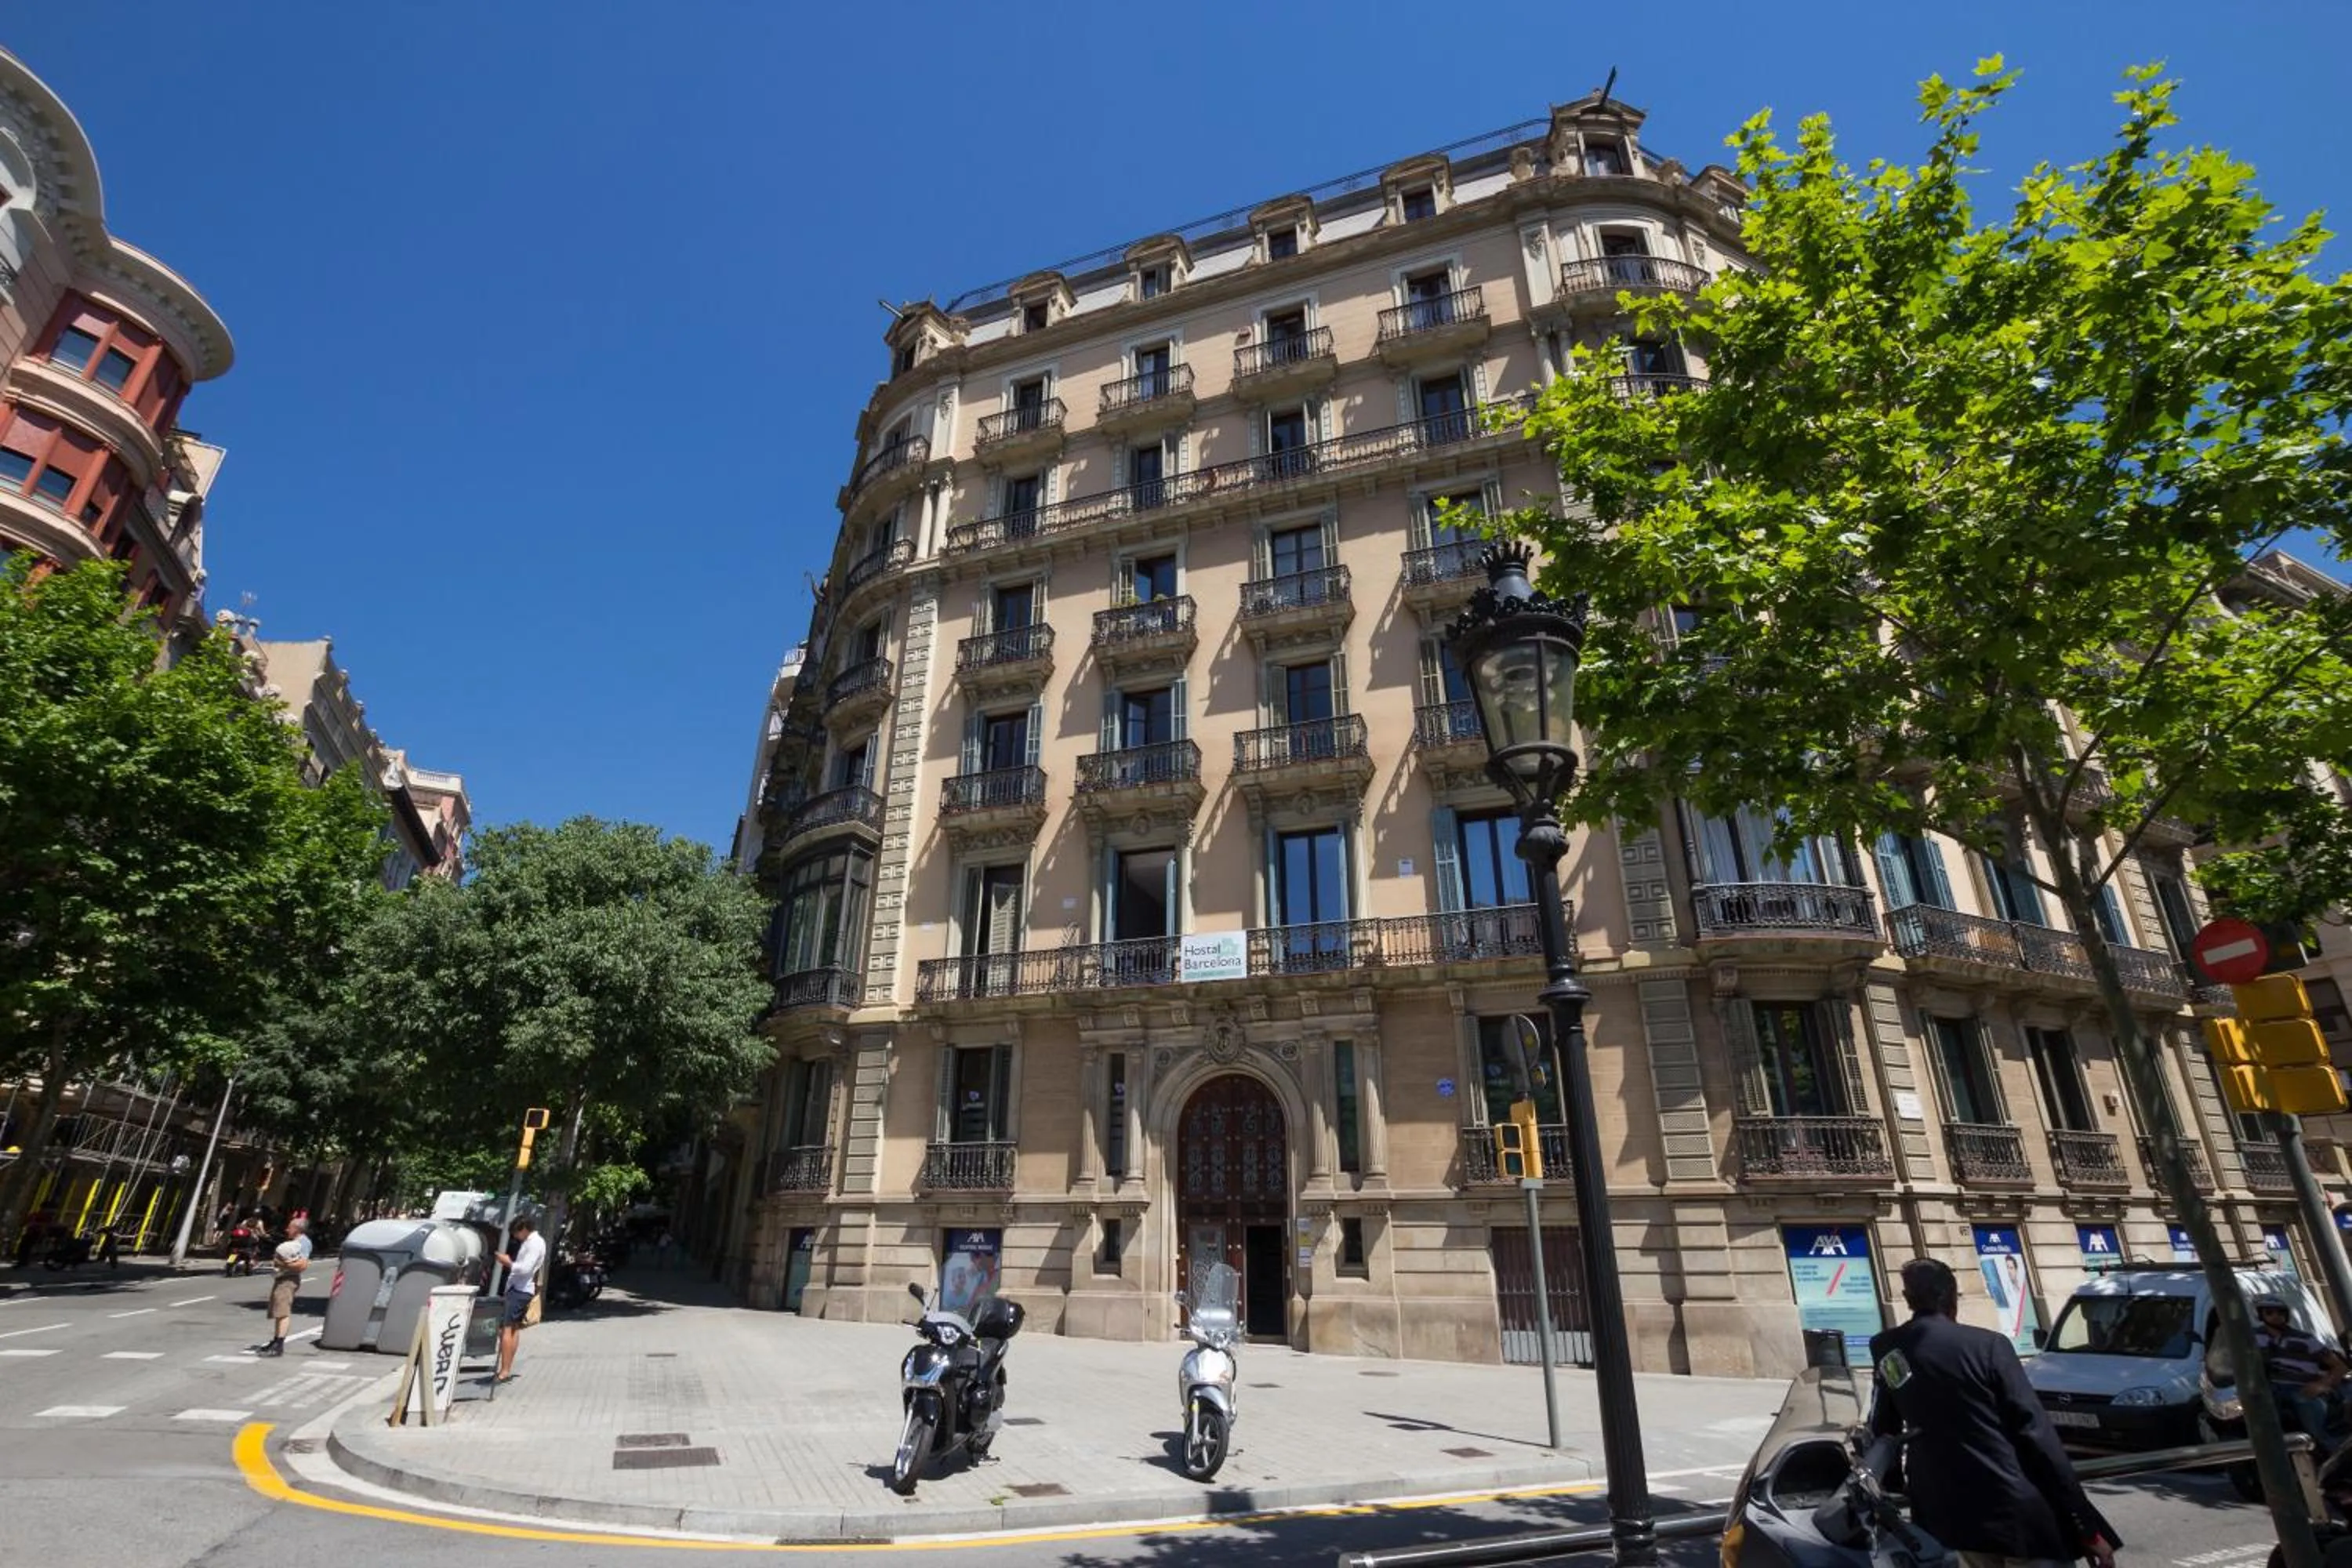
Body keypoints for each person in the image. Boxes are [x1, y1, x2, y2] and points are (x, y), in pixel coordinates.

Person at [1870, 1258, 2118, 1568]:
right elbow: (2037, 1437)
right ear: (1952, 1295)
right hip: (2016, 1512)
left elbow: (1884, 1432)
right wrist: (2086, 1527)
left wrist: (1893, 1483)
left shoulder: (1887, 1348)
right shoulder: (1988, 1346)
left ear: (1907, 1300)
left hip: (1947, 1514)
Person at [2253, 1293, 2347, 1449]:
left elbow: (2340, 1366)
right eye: (2269, 1312)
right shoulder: (2253, 1336)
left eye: (2280, 1312)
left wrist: (2321, 1384)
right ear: (2261, 1315)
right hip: (2267, 1388)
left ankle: (2330, 1450)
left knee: (2307, 1407)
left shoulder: (2305, 1339)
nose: (2275, 1316)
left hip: (2300, 1387)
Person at [494, 1217, 547, 1384]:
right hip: (519, 1289)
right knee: (513, 1328)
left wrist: (508, 1262)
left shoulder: (534, 1243)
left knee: (505, 1328)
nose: (515, 1237)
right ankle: (506, 1368)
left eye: (516, 1233)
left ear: (523, 1229)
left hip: (520, 1290)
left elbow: (525, 1269)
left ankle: (504, 1370)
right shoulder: (533, 1242)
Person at [258, 1216, 310, 1357]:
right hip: (282, 1278)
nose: (287, 1229)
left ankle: (279, 1345)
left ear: (297, 1229)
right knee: (277, 1311)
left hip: (289, 1280)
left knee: (283, 1312)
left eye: (290, 1227)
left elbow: (303, 1265)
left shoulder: (303, 1243)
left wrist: (282, 1264)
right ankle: (275, 1340)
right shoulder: (295, 1242)